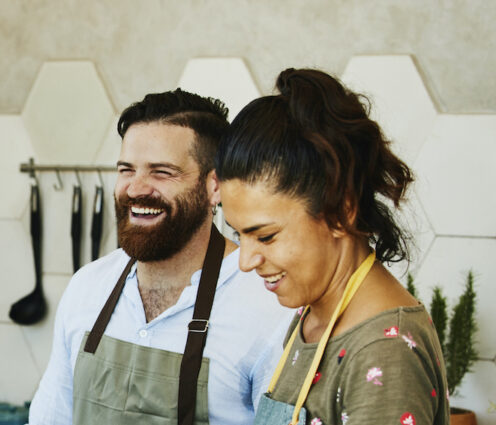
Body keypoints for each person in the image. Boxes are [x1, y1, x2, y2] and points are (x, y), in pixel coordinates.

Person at [30, 89, 292, 425]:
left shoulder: (268, 308)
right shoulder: (87, 288)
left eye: (162, 172)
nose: (136, 188)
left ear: (215, 186)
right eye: (126, 170)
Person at [218, 68, 448, 425]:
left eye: (265, 236)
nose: (245, 261)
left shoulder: (383, 351)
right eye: (238, 235)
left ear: (341, 210)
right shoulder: (314, 316)